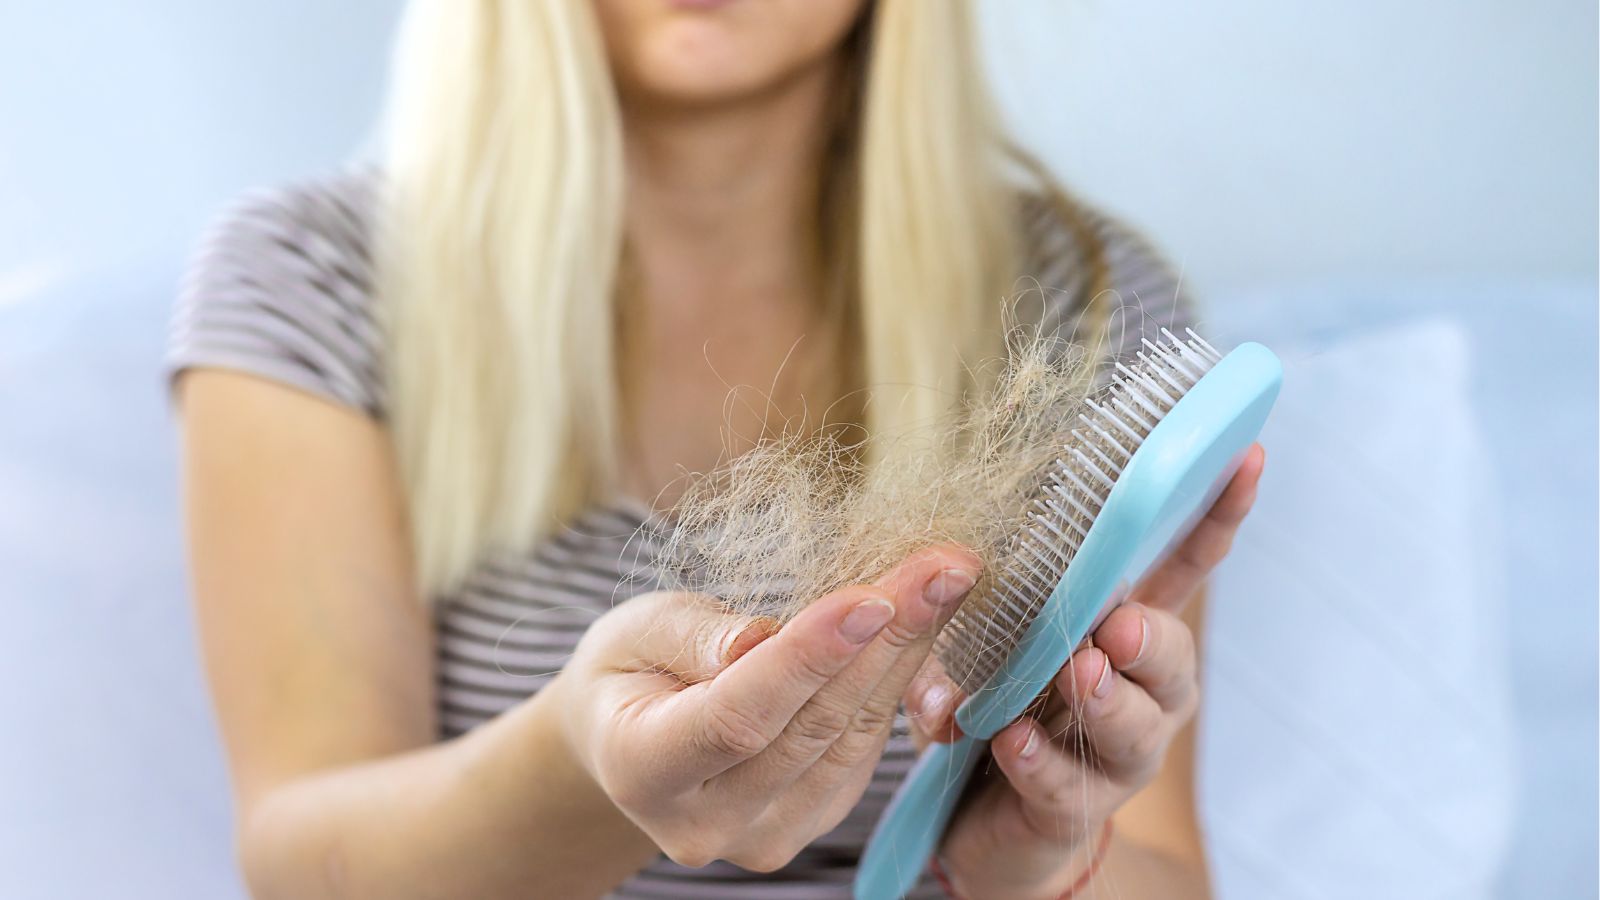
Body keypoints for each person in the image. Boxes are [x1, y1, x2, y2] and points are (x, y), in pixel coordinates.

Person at [169, 1, 1264, 897]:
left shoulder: (1085, 301)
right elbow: (301, 860)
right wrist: (583, 759)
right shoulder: (309, 278)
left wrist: (1039, 862)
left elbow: (1163, 872)